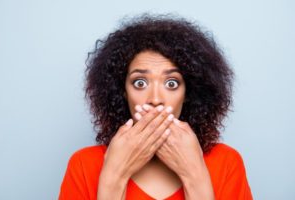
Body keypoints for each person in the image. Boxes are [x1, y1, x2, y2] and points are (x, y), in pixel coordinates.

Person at [59, 14, 253, 200]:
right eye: (140, 83)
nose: (155, 99)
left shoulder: (226, 162)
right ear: (122, 91)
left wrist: (195, 175)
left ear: (188, 94)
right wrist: (113, 177)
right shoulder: (84, 165)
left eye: (171, 83)